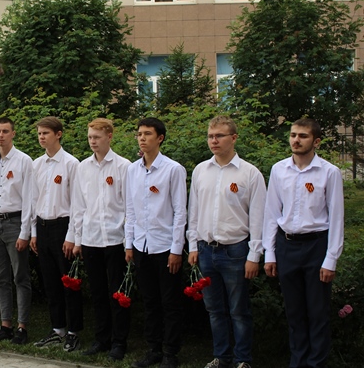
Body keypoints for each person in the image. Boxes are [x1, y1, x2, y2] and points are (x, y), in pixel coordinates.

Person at [262, 118, 344, 368]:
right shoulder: (279, 170)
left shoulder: (329, 172)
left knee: (317, 312)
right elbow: (271, 213)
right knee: (294, 311)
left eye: (303, 136)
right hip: (287, 246)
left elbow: (337, 217)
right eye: (293, 135)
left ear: (316, 141)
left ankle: (316, 363)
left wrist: (331, 259)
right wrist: (270, 254)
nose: (296, 140)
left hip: (316, 246)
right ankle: (297, 362)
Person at [187, 115, 266, 368]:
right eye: (210, 136)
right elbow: (193, 211)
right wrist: (192, 246)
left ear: (233, 138)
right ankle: (221, 357)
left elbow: (258, 217)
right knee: (214, 309)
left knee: (239, 310)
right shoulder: (201, 170)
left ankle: (243, 360)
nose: (214, 140)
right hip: (206, 250)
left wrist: (254, 255)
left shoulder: (249, 173)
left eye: (219, 136)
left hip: (236, 250)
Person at [125, 118, 187, 368]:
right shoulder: (132, 170)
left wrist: (176, 249)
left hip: (165, 246)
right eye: (139, 134)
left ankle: (171, 352)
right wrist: (129, 243)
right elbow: (130, 209)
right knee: (150, 301)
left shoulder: (173, 169)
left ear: (160, 138)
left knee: (170, 302)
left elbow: (180, 212)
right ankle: (154, 349)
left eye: (147, 134)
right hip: (141, 245)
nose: (142, 138)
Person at [72, 118, 131, 361]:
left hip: (116, 239)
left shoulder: (123, 166)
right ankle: (102, 338)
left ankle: (119, 341)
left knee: (118, 292)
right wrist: (77, 239)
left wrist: (128, 241)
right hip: (91, 238)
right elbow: (78, 205)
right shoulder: (83, 167)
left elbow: (129, 207)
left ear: (109, 136)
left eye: (96, 137)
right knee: (97, 293)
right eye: (90, 137)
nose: (92, 141)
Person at [0, 117, 34, 345]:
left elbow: (29, 199)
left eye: (5, 131)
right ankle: (5, 325)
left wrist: (25, 232)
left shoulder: (24, 161)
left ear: (13, 134)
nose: (0, 135)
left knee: (20, 276)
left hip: (15, 223)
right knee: (1, 278)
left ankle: (22, 326)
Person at [30, 116, 83, 352]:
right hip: (43, 227)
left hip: (63, 227)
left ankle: (74, 331)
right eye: (39, 133)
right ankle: (58, 328)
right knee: (50, 282)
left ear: (58, 134)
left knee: (69, 282)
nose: (41, 137)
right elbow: (34, 199)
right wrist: (33, 232)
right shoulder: (37, 164)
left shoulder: (71, 164)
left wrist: (72, 236)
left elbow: (77, 202)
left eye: (46, 133)